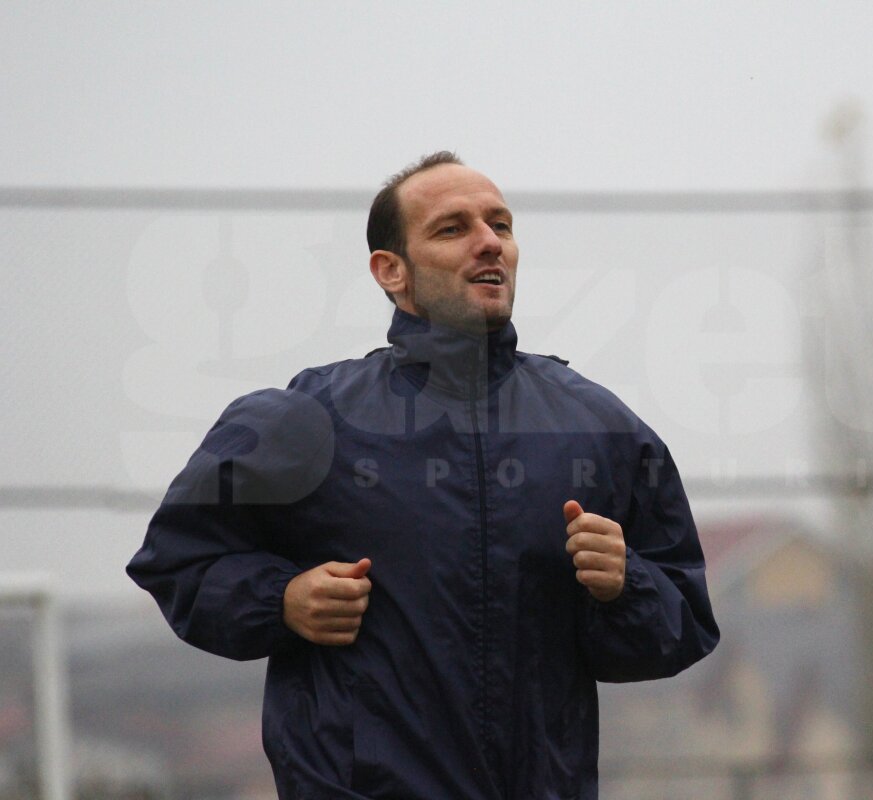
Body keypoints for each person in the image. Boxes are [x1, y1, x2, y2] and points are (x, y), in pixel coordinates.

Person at [127, 152, 719, 799]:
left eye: (501, 224)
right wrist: (283, 599)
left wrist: (624, 585)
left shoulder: (600, 428)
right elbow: (177, 563)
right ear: (391, 270)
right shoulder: (302, 421)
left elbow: (682, 625)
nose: (489, 241)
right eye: (452, 228)